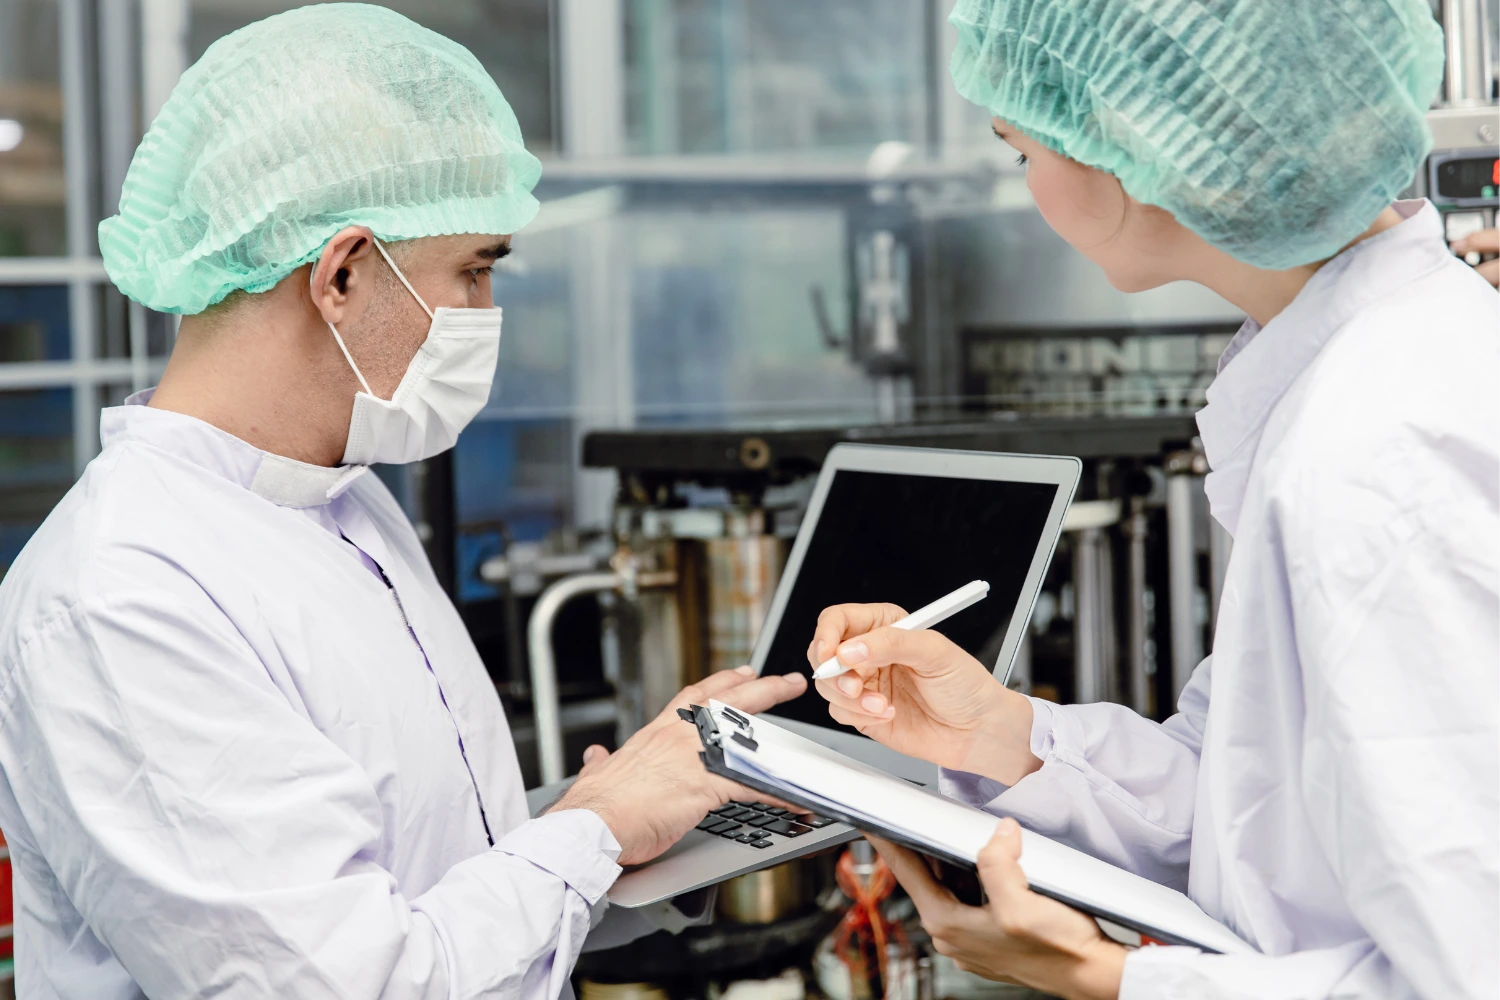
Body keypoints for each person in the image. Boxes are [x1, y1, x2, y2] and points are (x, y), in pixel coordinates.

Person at [0, 6, 807, 998]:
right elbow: (354, 983)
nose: (486, 314)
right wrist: (597, 827)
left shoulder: (344, 500)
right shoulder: (123, 595)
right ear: (341, 274)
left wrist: (632, 803)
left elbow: (434, 877)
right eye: (473, 270)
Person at [809, 1, 1498, 999]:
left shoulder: (1378, 454)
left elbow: (1464, 974)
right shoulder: (1360, 382)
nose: (1033, 191)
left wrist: (1111, 978)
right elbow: (1248, 800)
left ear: (1143, 149)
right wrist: (994, 733)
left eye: (1022, 153)